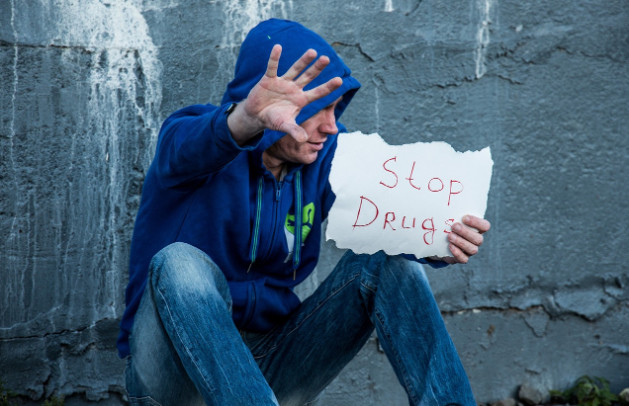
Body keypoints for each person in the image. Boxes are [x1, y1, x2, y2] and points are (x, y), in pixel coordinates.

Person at [117, 18, 490, 406]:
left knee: (387, 263)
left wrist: (438, 240)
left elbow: (392, 214)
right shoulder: (192, 140)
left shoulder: (327, 157)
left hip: (270, 362)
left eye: (336, 109)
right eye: (318, 109)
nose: (331, 127)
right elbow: (191, 145)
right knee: (179, 262)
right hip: (174, 373)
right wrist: (245, 120)